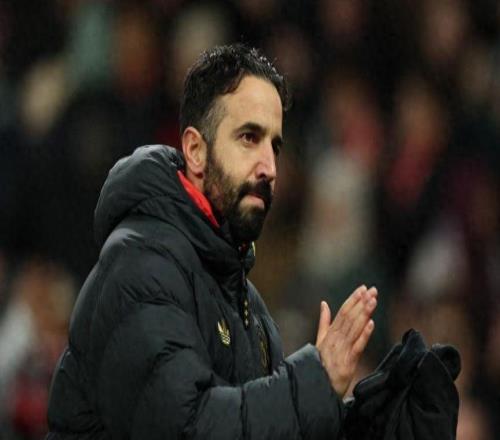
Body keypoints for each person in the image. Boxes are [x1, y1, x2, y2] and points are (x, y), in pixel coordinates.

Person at [46, 44, 378, 440]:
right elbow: (187, 428)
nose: (270, 167)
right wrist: (314, 383)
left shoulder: (243, 299)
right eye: (249, 137)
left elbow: (260, 425)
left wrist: (383, 411)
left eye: (275, 146)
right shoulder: (141, 266)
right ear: (195, 150)